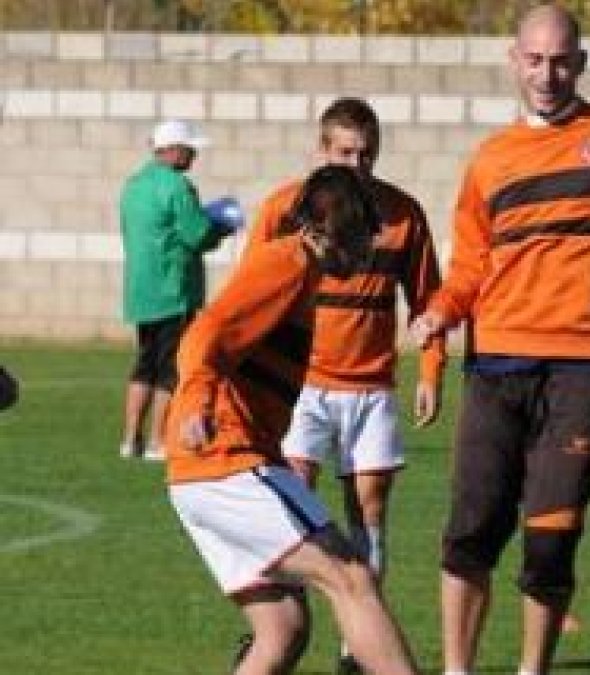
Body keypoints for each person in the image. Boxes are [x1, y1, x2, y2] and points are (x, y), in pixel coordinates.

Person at [408, 4, 590, 673]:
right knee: (471, 531)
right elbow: (471, 267)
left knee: (551, 537)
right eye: (535, 60)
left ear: (582, 61)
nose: (548, 74)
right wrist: (440, 312)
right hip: (496, 363)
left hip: (586, 365)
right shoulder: (491, 159)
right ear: (515, 60)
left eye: (562, 60)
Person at [165, 165, 421, 675]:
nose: (371, 249)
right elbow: (205, 333)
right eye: (365, 233)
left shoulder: (302, 274)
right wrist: (196, 401)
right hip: (225, 462)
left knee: (282, 627)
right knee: (352, 577)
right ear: (331, 225)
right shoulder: (287, 262)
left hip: (218, 468)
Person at [246, 96, 445, 675]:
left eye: (367, 153)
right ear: (321, 151)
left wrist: (431, 368)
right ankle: (278, 634)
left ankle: (356, 650)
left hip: (371, 388)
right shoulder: (285, 208)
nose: (358, 165)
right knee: (292, 509)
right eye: (345, 153)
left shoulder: (402, 213)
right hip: (301, 386)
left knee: (369, 513)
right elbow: (252, 294)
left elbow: (428, 298)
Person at [118, 120, 231, 461]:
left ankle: (129, 440)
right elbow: (196, 235)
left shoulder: (133, 185)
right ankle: (157, 441)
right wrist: (221, 228)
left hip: (141, 290)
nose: (194, 154)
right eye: (190, 149)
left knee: (144, 364)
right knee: (170, 368)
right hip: (173, 290)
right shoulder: (179, 187)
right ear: (174, 150)